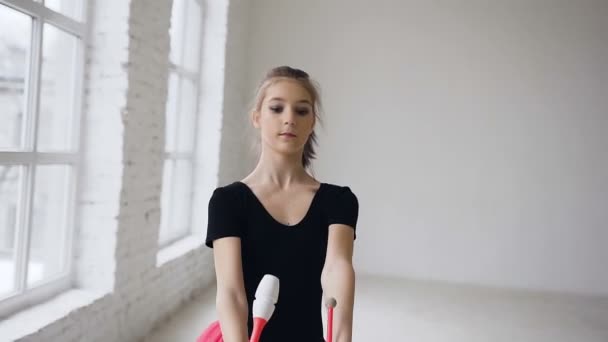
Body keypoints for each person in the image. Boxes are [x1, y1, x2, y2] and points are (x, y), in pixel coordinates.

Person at [205, 66, 359, 342]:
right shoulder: (227, 202)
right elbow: (231, 293)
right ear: (257, 117)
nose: (289, 119)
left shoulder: (339, 202)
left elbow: (337, 270)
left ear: (312, 122)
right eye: (276, 108)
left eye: (301, 111)